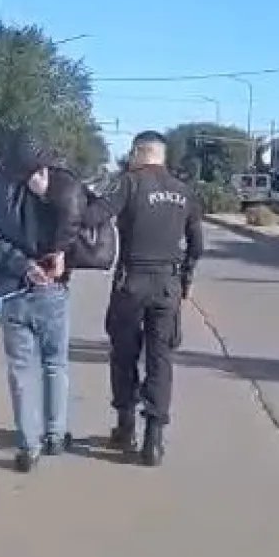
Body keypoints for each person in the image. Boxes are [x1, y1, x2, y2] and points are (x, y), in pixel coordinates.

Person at [85, 130, 203, 466]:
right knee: (160, 359)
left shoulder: (128, 183)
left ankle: (125, 427)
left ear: (139, 153)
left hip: (131, 282)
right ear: (162, 156)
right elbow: (197, 244)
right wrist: (186, 277)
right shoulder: (184, 191)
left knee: (124, 354)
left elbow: (94, 216)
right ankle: (154, 441)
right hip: (168, 284)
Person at [0, 130, 84, 472]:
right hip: (51, 288)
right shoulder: (58, 190)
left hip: (11, 289)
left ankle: (28, 446)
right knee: (55, 363)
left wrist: (21, 265)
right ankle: (55, 435)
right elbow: (79, 219)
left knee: (21, 371)